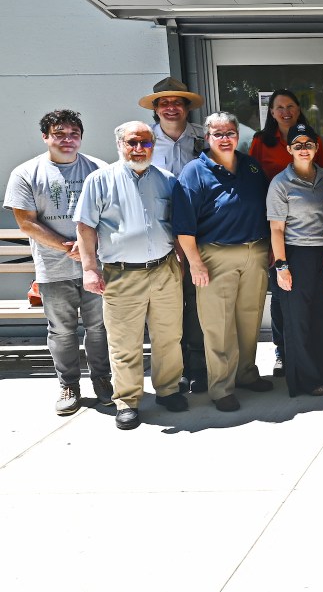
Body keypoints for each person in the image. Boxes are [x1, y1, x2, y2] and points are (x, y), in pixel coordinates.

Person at [75, 121, 187, 430]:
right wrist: (88, 268)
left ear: (154, 146)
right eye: (132, 143)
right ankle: (127, 400)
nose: (139, 149)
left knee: (169, 337)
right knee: (125, 342)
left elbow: (176, 227)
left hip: (164, 270)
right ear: (120, 145)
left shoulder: (168, 180)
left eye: (146, 143)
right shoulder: (99, 180)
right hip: (121, 275)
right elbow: (84, 227)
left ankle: (168, 390)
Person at [4, 110, 111, 415]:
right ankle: (69, 385)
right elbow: (26, 223)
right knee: (61, 330)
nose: (67, 139)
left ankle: (103, 380)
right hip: (53, 269)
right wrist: (70, 247)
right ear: (46, 137)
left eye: (73, 133)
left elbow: (112, 214)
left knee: (99, 327)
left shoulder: (98, 169)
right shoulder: (26, 173)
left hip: (96, 266)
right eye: (59, 133)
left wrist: (89, 245)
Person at [173, 112, 274, 413]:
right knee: (218, 325)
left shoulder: (251, 166)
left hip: (255, 251)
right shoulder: (194, 172)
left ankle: (245, 373)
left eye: (230, 132)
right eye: (218, 134)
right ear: (207, 138)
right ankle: (221, 387)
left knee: (249, 317)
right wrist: (195, 264)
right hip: (214, 256)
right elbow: (183, 228)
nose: (225, 138)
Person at [250, 89, 323, 378]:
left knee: (317, 308)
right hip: (277, 224)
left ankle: (319, 363)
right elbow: (253, 179)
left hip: (310, 228)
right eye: (279, 107)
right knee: (286, 302)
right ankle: (284, 352)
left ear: (298, 110)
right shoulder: (261, 142)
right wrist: (278, 250)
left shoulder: (313, 146)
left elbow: (320, 180)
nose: (285, 111)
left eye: (290, 106)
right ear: (271, 113)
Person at [139, 76, 208, 392]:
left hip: (200, 234)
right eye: (164, 102)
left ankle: (199, 366)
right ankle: (174, 368)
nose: (170, 107)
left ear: (186, 107)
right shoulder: (142, 142)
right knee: (167, 307)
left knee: (197, 303)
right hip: (162, 238)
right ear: (156, 109)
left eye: (176, 102)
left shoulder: (204, 138)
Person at [266, 123, 323, 397]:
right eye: (298, 145)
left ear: (316, 147)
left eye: (308, 144)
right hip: (295, 255)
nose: (304, 149)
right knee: (298, 321)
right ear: (289, 150)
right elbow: (276, 229)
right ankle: (306, 380)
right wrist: (282, 266)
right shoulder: (280, 183)